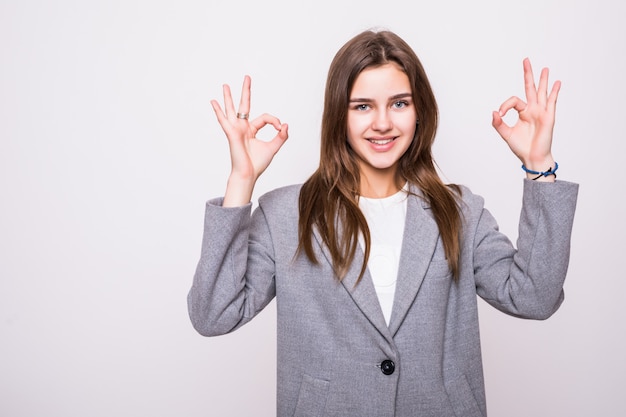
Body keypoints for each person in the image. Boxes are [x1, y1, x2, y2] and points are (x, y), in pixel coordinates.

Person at [188, 29, 578, 417]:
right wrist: (241, 181)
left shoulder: (460, 211)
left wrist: (539, 166)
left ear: (419, 110)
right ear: (338, 114)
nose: (382, 123)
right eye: (362, 106)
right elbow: (213, 315)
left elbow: (534, 297)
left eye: (399, 103)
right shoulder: (285, 214)